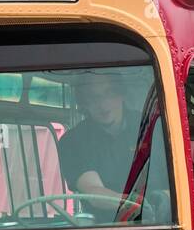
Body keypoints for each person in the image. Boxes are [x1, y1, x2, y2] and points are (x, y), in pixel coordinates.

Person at [58, 70, 141, 206]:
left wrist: (164, 199)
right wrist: (136, 205)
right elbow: (94, 192)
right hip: (102, 225)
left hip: (164, 221)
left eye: (109, 93)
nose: (103, 104)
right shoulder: (73, 141)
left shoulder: (153, 127)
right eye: (93, 97)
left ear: (121, 94)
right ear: (84, 102)